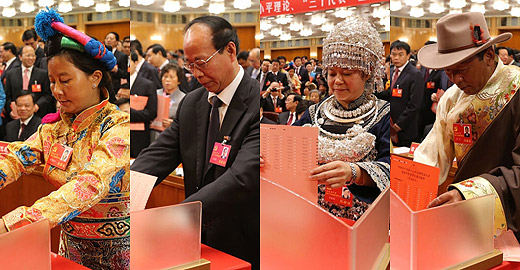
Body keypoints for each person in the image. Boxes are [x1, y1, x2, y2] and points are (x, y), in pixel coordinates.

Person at [0, 9, 129, 269]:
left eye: (65, 80)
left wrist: (13, 223)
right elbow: (17, 157)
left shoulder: (118, 127)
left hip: (119, 253)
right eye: (52, 81)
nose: (57, 91)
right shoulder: (54, 128)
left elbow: (90, 183)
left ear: (95, 78)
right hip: (70, 248)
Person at [131, 16, 260, 269]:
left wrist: (178, 216)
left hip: (242, 243)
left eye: (201, 62)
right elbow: (159, 154)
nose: (196, 74)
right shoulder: (193, 102)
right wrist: (120, 188)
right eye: (190, 65)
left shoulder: (257, 101)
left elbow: (242, 178)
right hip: (196, 243)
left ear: (230, 50)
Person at [414, 12, 520, 241]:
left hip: (509, 219)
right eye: (448, 71)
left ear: (489, 55)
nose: (456, 80)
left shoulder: (517, 89)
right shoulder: (451, 99)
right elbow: (431, 157)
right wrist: (413, 185)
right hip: (462, 218)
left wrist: (469, 194)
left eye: (462, 69)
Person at [292, 17, 390, 221]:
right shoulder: (314, 113)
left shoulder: (384, 114)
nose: (337, 81)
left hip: (364, 221)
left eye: (346, 73)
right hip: (312, 213)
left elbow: (393, 167)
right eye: (331, 73)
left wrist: (357, 172)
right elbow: (289, 146)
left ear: (367, 73)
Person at [389, 40, 424, 147]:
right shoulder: (390, 71)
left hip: (406, 127)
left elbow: (414, 104)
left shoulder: (415, 74)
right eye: (394, 54)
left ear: (408, 55)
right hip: (390, 125)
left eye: (400, 55)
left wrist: (399, 124)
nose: (396, 58)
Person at [152, 63, 186, 139]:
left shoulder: (183, 98)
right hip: (153, 134)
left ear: (179, 81)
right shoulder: (154, 93)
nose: (167, 80)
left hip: (171, 136)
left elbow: (186, 122)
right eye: (165, 76)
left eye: (171, 77)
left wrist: (173, 124)